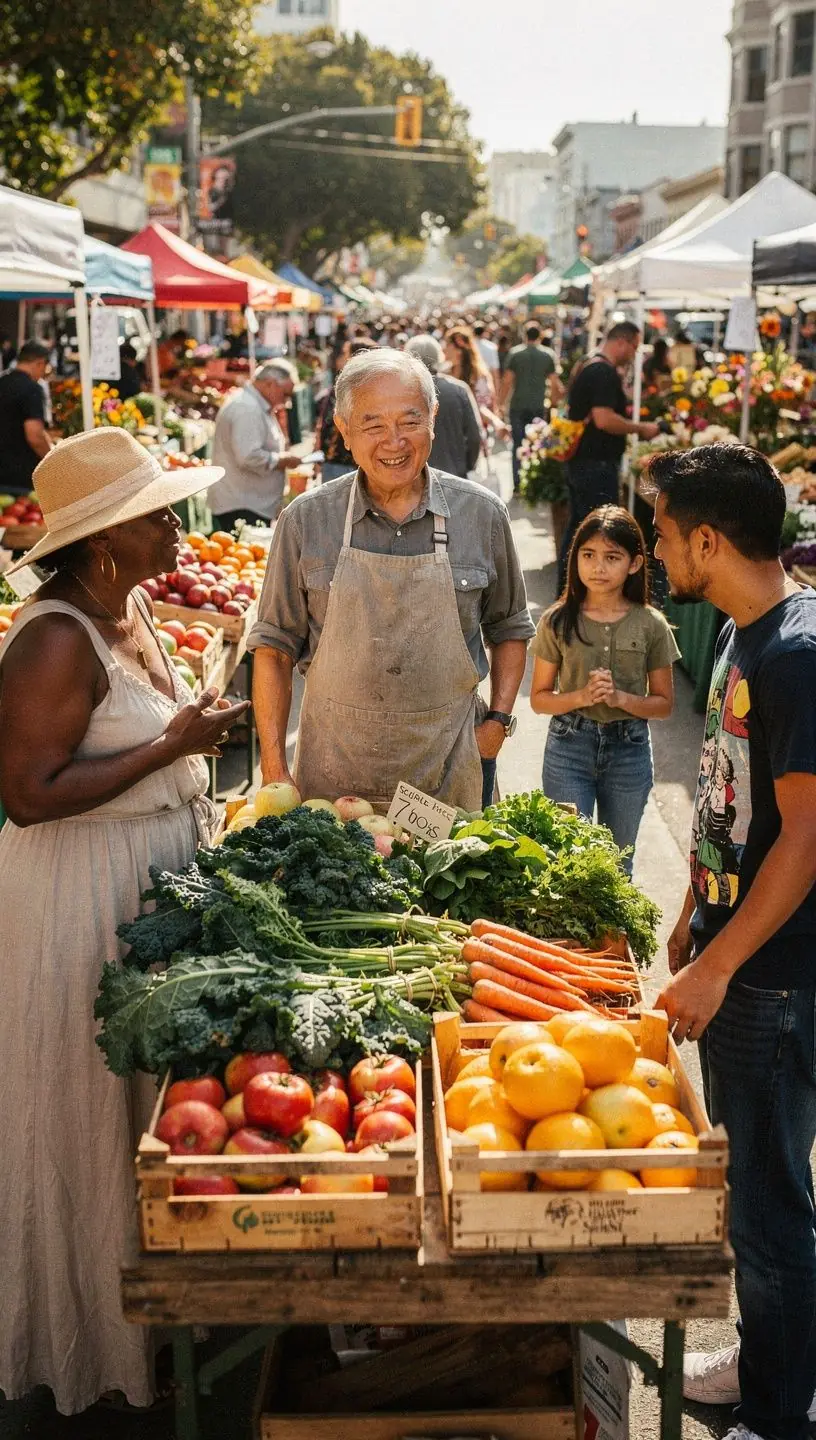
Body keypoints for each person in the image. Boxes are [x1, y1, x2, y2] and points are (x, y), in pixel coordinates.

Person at [0, 429, 248, 1415]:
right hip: (77, 897)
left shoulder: (129, 602)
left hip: (145, 882)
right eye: (159, 516)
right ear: (103, 542)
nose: (179, 529)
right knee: (89, 1108)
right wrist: (169, 750)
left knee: (145, 1110)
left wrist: (190, 744)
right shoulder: (53, 636)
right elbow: (26, 794)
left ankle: (160, 1313)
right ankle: (94, 1345)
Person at [648, 444, 816, 1440]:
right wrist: (690, 910)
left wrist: (720, 962)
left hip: (776, 982)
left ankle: (778, 1415)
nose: (656, 546)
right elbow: (730, 803)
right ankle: (770, 1364)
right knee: (759, 1195)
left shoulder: (796, 654)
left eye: (664, 531)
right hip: (741, 956)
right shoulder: (735, 634)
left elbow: (806, 841)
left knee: (766, 1209)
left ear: (708, 538)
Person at [248, 347, 534, 814]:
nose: (394, 441)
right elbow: (273, 647)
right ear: (343, 430)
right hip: (332, 777)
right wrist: (276, 769)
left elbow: (510, 627)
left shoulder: (480, 514)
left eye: (409, 421)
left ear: (433, 418)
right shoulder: (305, 520)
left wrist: (497, 723)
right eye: (373, 425)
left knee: (450, 885)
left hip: (448, 773)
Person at [529, 505, 678, 871]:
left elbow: (663, 705)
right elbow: (538, 699)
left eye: (612, 557)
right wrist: (581, 697)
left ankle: (615, 933)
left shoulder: (651, 624)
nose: (598, 567)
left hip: (629, 752)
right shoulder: (557, 620)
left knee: (616, 864)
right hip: (569, 748)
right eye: (588, 555)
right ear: (574, 558)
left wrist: (620, 698)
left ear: (635, 563)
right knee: (569, 862)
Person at [560, 321, 660, 585]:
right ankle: (581, 592)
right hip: (595, 464)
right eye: (635, 347)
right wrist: (641, 429)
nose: (635, 353)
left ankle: (568, 589)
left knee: (579, 528)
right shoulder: (603, 372)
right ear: (622, 342)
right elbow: (603, 419)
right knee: (595, 531)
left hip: (582, 461)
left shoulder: (588, 362)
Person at [209, 360, 303, 531]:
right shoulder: (247, 408)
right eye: (285, 394)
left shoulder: (254, 405)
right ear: (270, 384)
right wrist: (283, 460)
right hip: (242, 506)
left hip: (249, 503)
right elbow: (249, 457)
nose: (287, 401)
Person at [404, 334, 483, 479]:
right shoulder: (459, 390)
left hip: (413, 479)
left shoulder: (401, 392)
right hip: (454, 476)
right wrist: (467, 466)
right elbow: (474, 436)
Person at [500, 322, 563, 493]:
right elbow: (555, 384)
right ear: (540, 335)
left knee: (517, 445)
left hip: (518, 405)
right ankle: (535, 483)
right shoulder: (548, 354)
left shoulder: (515, 354)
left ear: (525, 335)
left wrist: (500, 404)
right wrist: (556, 404)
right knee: (538, 444)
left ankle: (518, 484)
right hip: (538, 406)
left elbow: (507, 381)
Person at [315, 337, 378, 482]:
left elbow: (328, 424)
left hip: (341, 463)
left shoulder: (345, 388)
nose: (342, 359)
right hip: (355, 462)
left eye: (345, 354)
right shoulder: (373, 388)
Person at [0, 339, 53, 494]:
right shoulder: (32, 389)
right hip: (21, 475)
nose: (43, 374)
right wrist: (51, 461)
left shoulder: (2, 382)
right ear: (39, 363)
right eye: (44, 368)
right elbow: (34, 436)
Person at [443, 325, 508, 439]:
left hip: (470, 437)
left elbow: (479, 407)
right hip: (447, 434)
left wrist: (496, 422)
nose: (443, 349)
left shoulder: (479, 376)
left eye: (447, 345)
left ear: (458, 349)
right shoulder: (443, 373)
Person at [472, 320, 501, 393]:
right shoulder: (491, 347)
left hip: (472, 382)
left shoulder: (469, 346)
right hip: (485, 384)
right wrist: (496, 391)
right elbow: (495, 370)